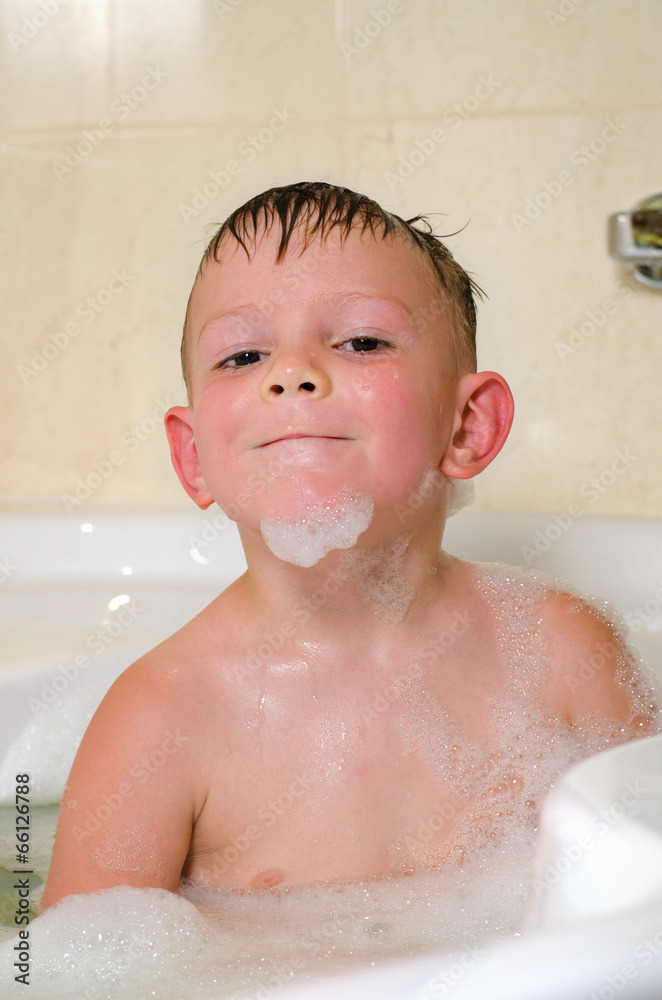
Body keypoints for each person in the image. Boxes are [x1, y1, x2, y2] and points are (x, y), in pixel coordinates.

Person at [41, 182, 658, 909]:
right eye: (242, 356)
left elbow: (643, 902)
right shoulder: (161, 719)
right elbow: (71, 972)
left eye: (362, 342)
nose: (291, 374)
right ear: (193, 456)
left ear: (467, 426)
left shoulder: (562, 651)